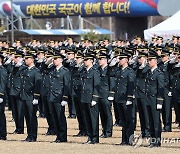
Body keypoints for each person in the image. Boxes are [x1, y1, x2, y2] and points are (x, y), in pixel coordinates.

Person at [48, 51, 71, 143]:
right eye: (53, 59)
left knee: (60, 117)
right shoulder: (52, 70)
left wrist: (65, 98)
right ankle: (58, 136)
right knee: (54, 117)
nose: (54, 60)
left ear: (61, 60)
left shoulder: (65, 72)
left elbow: (67, 85)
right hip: (52, 96)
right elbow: (43, 69)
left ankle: (63, 137)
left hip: (59, 97)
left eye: (56, 59)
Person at [114, 50, 135, 145]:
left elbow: (131, 86)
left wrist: (129, 98)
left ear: (126, 60)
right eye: (119, 59)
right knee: (122, 120)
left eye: (121, 59)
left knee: (129, 120)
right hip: (119, 98)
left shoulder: (130, 72)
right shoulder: (119, 71)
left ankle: (129, 139)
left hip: (126, 99)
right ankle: (123, 140)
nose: (120, 60)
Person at [21, 51, 42, 142]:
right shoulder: (25, 70)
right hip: (25, 96)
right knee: (27, 117)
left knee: (32, 117)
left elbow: (37, 85)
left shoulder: (36, 71)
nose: (25, 60)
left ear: (32, 60)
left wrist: (36, 97)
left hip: (31, 97)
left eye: (27, 58)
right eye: (25, 58)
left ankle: (33, 135)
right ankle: (29, 134)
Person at [146, 51, 164, 147]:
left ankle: (157, 141)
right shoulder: (149, 73)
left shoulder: (159, 74)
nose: (149, 62)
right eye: (148, 60)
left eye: (151, 60)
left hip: (155, 100)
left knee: (156, 121)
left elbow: (161, 88)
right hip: (148, 100)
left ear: (156, 61)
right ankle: (152, 140)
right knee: (151, 122)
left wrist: (159, 101)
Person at [81, 52, 100, 144]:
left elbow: (96, 85)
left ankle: (95, 138)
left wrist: (95, 98)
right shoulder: (84, 71)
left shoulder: (94, 71)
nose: (84, 62)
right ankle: (89, 136)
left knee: (93, 119)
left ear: (91, 61)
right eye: (84, 60)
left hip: (91, 98)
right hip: (84, 98)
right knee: (87, 118)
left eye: (86, 60)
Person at [9, 50, 26, 134]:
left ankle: (20, 128)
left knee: (20, 111)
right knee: (14, 111)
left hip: (19, 91)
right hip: (13, 91)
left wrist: (18, 65)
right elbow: (8, 70)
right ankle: (17, 127)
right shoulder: (13, 66)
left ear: (21, 58)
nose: (15, 59)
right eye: (14, 57)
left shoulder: (23, 67)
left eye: (16, 57)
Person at [98, 50, 113, 138]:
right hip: (99, 95)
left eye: (102, 59)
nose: (100, 60)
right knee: (102, 114)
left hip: (106, 94)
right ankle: (104, 130)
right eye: (99, 59)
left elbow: (112, 82)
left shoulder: (109, 70)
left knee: (107, 113)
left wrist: (111, 94)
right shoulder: (98, 69)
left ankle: (108, 131)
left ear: (106, 60)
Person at [72, 51, 87, 137]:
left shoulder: (84, 69)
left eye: (78, 58)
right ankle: (81, 129)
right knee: (79, 113)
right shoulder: (75, 67)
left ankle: (86, 129)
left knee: (83, 112)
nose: (76, 60)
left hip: (82, 93)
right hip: (76, 92)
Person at [135, 51, 150, 138]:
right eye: (138, 58)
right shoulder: (138, 67)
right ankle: (143, 131)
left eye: (141, 58)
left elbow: (144, 72)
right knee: (141, 114)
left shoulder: (147, 67)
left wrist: (145, 64)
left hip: (145, 94)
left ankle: (147, 131)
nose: (139, 60)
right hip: (138, 93)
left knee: (146, 114)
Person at [0, 53, 8, 140]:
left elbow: (2, 83)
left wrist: (1, 95)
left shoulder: (2, 70)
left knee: (0, 115)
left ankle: (2, 134)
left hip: (0, 95)